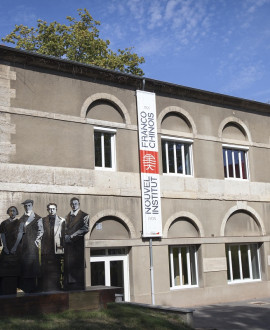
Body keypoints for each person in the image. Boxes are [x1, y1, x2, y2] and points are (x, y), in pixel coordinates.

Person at [18, 199, 43, 293]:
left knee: (33, 268)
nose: (27, 207)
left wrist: (37, 241)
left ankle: (34, 289)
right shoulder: (21, 219)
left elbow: (41, 231)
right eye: (25, 206)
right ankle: (26, 289)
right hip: (23, 248)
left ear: (32, 205)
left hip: (32, 247)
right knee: (25, 269)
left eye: (28, 205)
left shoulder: (37, 218)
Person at [64, 197, 89, 290]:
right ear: (70, 205)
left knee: (77, 267)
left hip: (77, 246)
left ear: (79, 204)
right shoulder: (67, 216)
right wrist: (65, 236)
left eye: (76, 204)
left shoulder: (84, 215)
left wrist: (71, 236)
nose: (74, 205)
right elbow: (64, 229)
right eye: (72, 204)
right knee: (69, 267)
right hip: (68, 247)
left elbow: (85, 228)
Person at [39, 203, 65, 292]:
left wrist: (62, 248)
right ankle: (46, 289)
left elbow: (64, 236)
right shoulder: (42, 220)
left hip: (57, 250)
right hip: (45, 251)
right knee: (46, 273)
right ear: (47, 210)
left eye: (53, 209)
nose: (51, 210)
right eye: (50, 209)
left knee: (57, 271)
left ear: (56, 209)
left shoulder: (62, 221)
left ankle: (57, 287)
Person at [0, 206, 24, 295]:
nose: (12, 212)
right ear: (8, 212)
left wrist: (14, 247)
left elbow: (20, 235)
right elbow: (2, 235)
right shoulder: (3, 223)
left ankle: (14, 290)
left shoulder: (20, 223)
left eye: (14, 211)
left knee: (15, 272)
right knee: (4, 271)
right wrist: (5, 248)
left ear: (16, 212)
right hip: (6, 250)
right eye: (10, 211)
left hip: (16, 251)